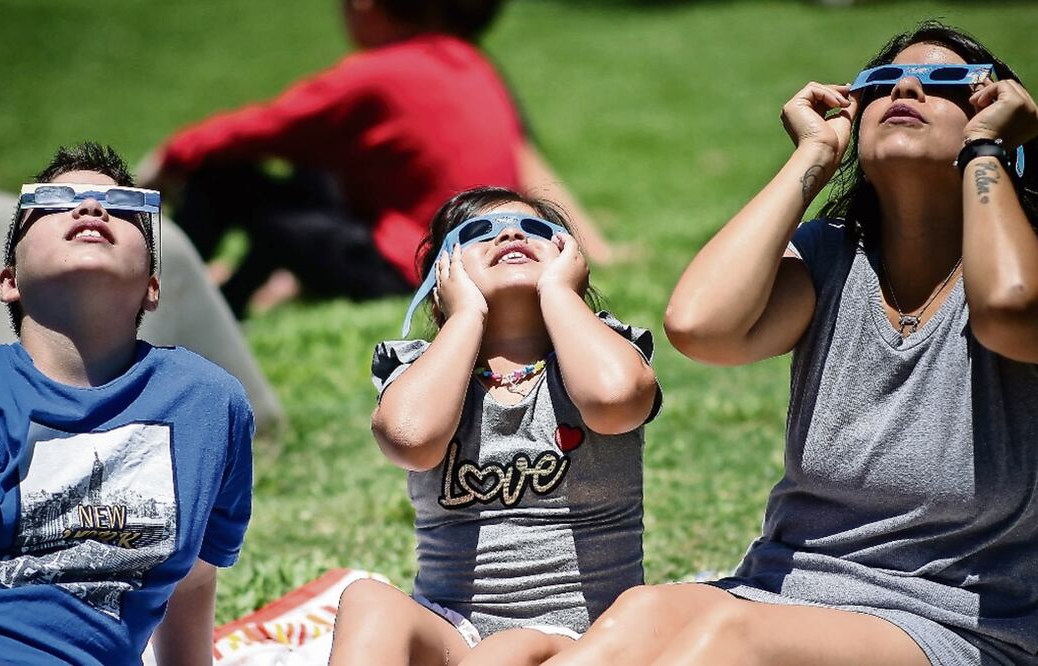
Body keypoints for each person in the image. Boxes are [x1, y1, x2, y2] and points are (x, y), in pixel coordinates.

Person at [540, 20, 1038, 666]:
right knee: (645, 613)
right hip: (785, 586)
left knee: (731, 641)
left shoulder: (1018, 263)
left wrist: (986, 151)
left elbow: (1008, 309)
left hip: (955, 619)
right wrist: (812, 157)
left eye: (947, 83)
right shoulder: (830, 259)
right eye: (881, 82)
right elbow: (701, 326)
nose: (907, 86)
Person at [0, 142, 254, 664]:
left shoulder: (210, 404)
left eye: (124, 208)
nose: (90, 209)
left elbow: (192, 584)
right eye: (55, 201)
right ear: (9, 281)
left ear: (153, 286)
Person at [327, 186, 660, 665]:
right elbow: (412, 439)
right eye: (478, 232)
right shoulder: (423, 371)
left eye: (539, 231)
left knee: (509, 648)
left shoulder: (598, 353)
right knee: (366, 598)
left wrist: (560, 294)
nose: (510, 233)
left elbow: (615, 401)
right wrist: (465, 316)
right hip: (453, 630)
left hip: (587, 634)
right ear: (440, 279)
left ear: (572, 260)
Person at [141, 0, 616, 317]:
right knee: (313, 171)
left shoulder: (374, 76)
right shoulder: (467, 59)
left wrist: (170, 157)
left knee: (233, 185)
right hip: (459, 247)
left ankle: (187, 299)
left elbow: (262, 128)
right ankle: (215, 290)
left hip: (413, 264)